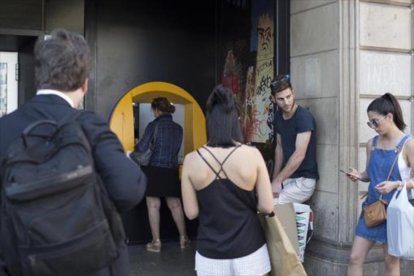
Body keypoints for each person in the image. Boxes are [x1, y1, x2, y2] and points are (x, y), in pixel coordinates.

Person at [0, 29, 147, 275]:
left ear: (39, 77)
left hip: (24, 264)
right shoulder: (90, 125)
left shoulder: (4, 128)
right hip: (92, 264)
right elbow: (129, 188)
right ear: (85, 83)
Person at [181, 84, 273, 276]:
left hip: (210, 253)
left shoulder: (191, 160)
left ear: (209, 121)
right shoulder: (252, 154)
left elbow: (191, 213)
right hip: (251, 250)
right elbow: (266, 206)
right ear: (235, 121)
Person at [345, 93, 414, 276]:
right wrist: (359, 175)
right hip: (373, 209)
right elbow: (370, 174)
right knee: (354, 258)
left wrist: (396, 185)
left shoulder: (408, 145)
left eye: (375, 122)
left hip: (395, 211)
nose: (373, 127)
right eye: (370, 123)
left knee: (390, 263)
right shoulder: (372, 144)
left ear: (389, 117)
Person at [135, 97, 189, 252]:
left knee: (153, 204)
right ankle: (183, 238)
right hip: (171, 170)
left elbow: (142, 148)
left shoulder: (153, 126)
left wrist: (137, 142)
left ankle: (156, 243)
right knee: (175, 204)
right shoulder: (178, 128)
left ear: (157, 110)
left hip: (153, 170)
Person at [270, 74, 319, 204]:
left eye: (288, 96)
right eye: (281, 99)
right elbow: (279, 148)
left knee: (270, 204)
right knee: (262, 198)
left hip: (304, 180)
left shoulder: (303, 118)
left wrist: (278, 181)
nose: (286, 102)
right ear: (273, 99)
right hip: (288, 177)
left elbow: (299, 155)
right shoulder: (278, 117)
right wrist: (275, 179)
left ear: (293, 93)